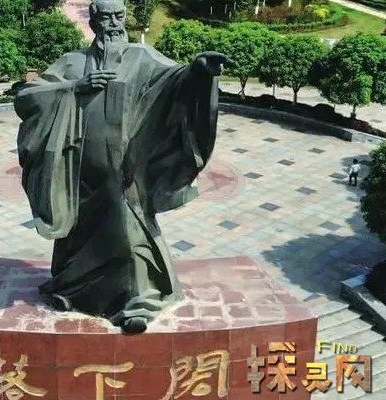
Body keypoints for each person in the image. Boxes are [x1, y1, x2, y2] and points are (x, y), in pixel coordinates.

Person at [14, 0, 228, 333]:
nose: (114, 23)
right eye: (106, 17)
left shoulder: (142, 57)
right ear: (93, 22)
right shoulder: (73, 62)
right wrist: (75, 88)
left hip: (125, 166)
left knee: (128, 229)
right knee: (80, 231)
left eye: (119, 16)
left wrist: (199, 71)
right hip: (78, 167)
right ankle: (73, 291)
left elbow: (176, 80)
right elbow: (28, 97)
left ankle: (138, 301)